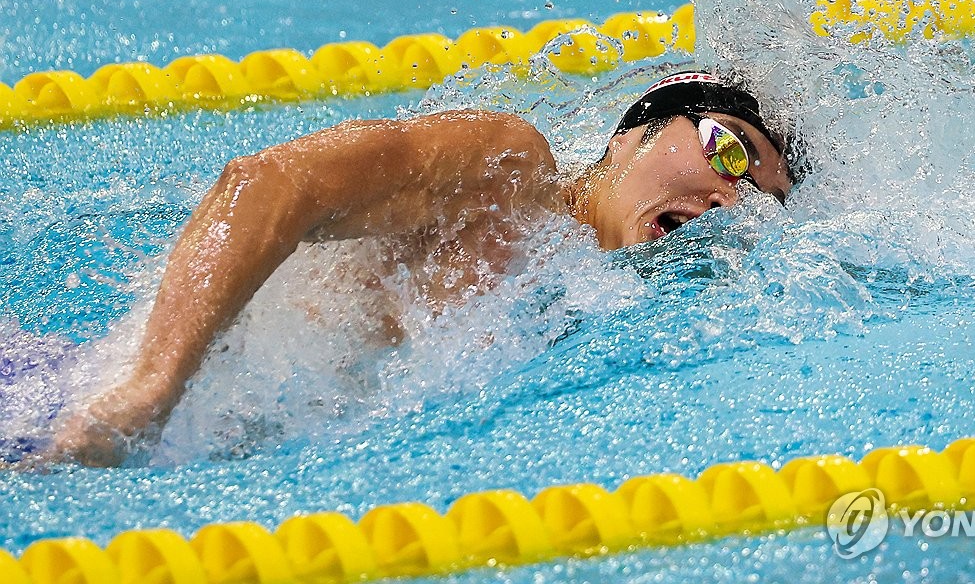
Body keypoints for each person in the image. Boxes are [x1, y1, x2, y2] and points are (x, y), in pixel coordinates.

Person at [48, 71, 796, 466]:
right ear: (631, 136)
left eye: (760, 201)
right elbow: (266, 184)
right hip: (79, 411)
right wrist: (148, 392)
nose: (734, 197)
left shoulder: (593, 303)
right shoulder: (508, 170)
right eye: (728, 148)